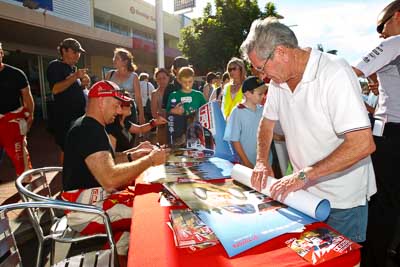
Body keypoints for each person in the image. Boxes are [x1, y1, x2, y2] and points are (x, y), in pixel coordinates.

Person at [240, 17, 376, 243]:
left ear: (281, 52)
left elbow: (363, 143)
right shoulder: (278, 82)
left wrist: (303, 175)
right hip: (303, 196)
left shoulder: (334, 72)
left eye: (261, 68)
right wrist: (262, 161)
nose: (262, 77)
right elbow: (266, 124)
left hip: (342, 201)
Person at [60, 80, 168, 266]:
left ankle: (114, 255)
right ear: (101, 101)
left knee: (147, 198)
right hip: (86, 211)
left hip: (88, 201)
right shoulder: (89, 130)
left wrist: (134, 155)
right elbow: (110, 179)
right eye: (117, 105)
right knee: (153, 214)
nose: (119, 111)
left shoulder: (90, 125)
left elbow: (106, 160)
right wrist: (149, 160)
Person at [352, 1, 400, 265]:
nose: (380, 34)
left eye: (382, 26)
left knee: (382, 203)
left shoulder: (394, 43)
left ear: (398, 17)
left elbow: (348, 74)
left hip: (392, 133)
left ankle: (373, 260)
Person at [46, 38, 90, 163]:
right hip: (65, 117)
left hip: (77, 116)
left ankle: (72, 174)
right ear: (64, 51)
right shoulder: (55, 66)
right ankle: (66, 177)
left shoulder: (72, 69)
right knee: (66, 148)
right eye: (75, 51)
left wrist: (83, 85)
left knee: (75, 147)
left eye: (79, 52)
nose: (78, 55)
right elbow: (55, 89)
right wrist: (76, 76)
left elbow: (72, 90)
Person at [0, 41, 34, 176]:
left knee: (20, 156)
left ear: (1, 54)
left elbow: (27, 96)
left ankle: (26, 183)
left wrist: (30, 116)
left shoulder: (16, 74)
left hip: (13, 121)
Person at [223, 76, 267, 168]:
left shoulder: (263, 110)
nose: (263, 96)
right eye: (260, 94)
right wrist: (246, 162)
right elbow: (235, 140)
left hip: (265, 163)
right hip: (247, 163)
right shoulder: (237, 112)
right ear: (247, 94)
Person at [166, 67, 206, 147]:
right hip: (178, 134)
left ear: (193, 80)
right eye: (184, 82)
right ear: (179, 80)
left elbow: (205, 111)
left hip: (195, 133)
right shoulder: (174, 95)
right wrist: (173, 111)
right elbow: (168, 113)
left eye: (190, 81)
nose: (187, 84)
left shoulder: (199, 95)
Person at [105, 48, 144, 125]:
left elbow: (138, 97)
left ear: (125, 62)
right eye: (114, 57)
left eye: (117, 58)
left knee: (129, 135)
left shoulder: (134, 76)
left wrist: (141, 115)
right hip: (112, 112)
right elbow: (104, 92)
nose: (114, 60)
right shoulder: (110, 74)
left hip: (129, 111)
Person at [151, 68, 170, 145]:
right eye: (159, 79)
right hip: (161, 124)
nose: (162, 81)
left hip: (175, 123)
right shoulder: (155, 93)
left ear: (168, 78)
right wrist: (160, 121)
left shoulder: (174, 91)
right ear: (156, 80)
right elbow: (154, 112)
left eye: (164, 78)